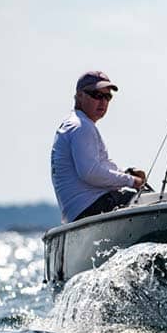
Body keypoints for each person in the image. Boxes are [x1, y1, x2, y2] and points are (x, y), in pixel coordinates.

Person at [51, 72, 147, 223]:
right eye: (97, 95)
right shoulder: (80, 127)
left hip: (80, 213)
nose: (103, 102)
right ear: (80, 95)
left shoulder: (74, 124)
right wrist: (131, 181)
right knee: (152, 199)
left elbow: (98, 166)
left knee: (144, 195)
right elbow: (89, 173)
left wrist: (125, 174)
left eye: (107, 97)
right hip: (91, 209)